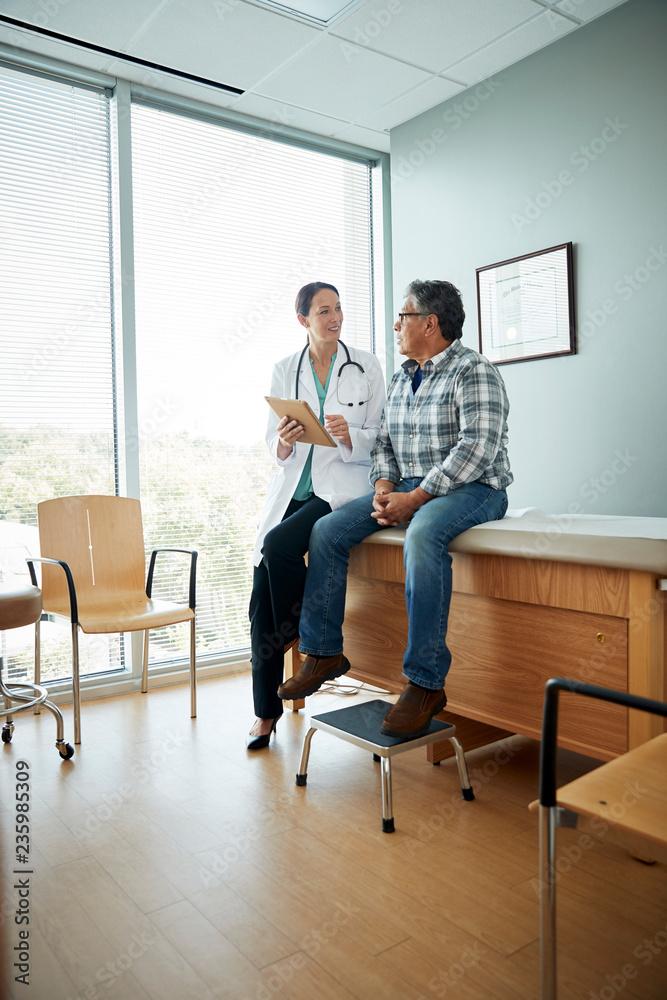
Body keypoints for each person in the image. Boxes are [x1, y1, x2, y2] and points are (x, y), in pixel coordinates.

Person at [278, 279, 512, 739]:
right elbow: (384, 442)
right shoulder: (405, 376)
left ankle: (425, 682)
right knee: (326, 530)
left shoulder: (474, 371)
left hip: (474, 488)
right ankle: (323, 651)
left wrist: (416, 498)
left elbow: (477, 448)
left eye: (403, 316)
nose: (395, 325)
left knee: (423, 534)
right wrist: (385, 487)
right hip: (407, 484)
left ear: (430, 323)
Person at [247, 281, 385, 749]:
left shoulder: (364, 364)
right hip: (292, 491)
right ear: (303, 319)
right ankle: (266, 714)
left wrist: (351, 435)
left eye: (339, 309)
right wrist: (285, 439)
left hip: (338, 489)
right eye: (324, 310)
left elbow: (381, 435)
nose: (336, 318)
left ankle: (303, 628)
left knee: (277, 546)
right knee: (260, 604)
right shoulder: (285, 369)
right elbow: (274, 444)